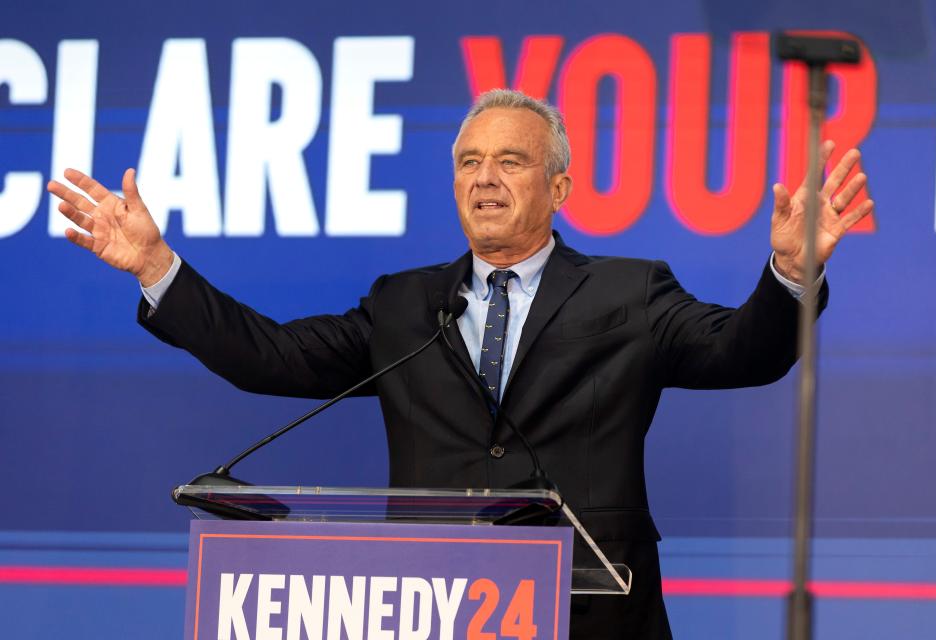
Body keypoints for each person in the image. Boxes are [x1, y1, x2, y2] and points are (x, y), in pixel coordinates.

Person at [47, 89, 873, 639]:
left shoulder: (627, 292)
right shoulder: (405, 304)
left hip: (593, 613)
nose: (484, 180)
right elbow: (270, 358)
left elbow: (746, 352)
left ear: (562, 186)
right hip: (431, 608)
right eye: (468, 163)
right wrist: (158, 268)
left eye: (509, 162)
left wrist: (792, 276)